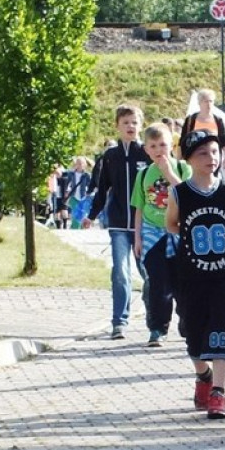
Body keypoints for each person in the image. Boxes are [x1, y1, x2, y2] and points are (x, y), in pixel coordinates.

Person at [165, 130, 225, 420]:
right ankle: (203, 375)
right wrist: (193, 236)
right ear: (190, 159)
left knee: (221, 329)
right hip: (191, 274)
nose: (211, 158)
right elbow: (172, 224)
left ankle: (219, 392)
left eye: (215, 152)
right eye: (203, 153)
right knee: (193, 333)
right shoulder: (179, 192)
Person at [83, 105, 150, 340]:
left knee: (149, 273)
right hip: (119, 224)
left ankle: (155, 319)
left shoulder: (147, 153)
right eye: (125, 123)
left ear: (141, 125)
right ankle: (119, 321)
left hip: (145, 225)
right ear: (117, 126)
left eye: (134, 122)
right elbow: (103, 190)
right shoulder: (110, 157)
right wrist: (91, 215)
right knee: (121, 272)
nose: (130, 126)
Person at [131, 123, 191, 347]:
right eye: (153, 146)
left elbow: (188, 195)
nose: (159, 150)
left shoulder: (183, 168)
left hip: (178, 231)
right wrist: (137, 238)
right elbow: (138, 207)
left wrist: (169, 173)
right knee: (158, 282)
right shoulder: (143, 174)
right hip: (152, 232)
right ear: (146, 149)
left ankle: (187, 320)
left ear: (172, 145)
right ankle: (157, 328)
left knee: (182, 282)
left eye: (163, 145)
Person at [180, 89, 225, 173]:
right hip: (195, 158)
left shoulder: (218, 120)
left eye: (211, 101)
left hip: (213, 159)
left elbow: (224, 140)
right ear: (199, 103)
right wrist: (180, 160)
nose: (208, 104)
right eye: (205, 101)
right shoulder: (190, 120)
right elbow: (182, 141)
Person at [64, 157, 92, 230]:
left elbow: (90, 186)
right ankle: (74, 229)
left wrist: (88, 192)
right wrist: (66, 191)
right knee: (75, 214)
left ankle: (82, 229)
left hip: (83, 197)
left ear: (84, 165)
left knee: (82, 214)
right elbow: (67, 184)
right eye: (77, 163)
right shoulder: (71, 174)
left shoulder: (87, 175)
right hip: (73, 197)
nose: (79, 165)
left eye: (81, 163)